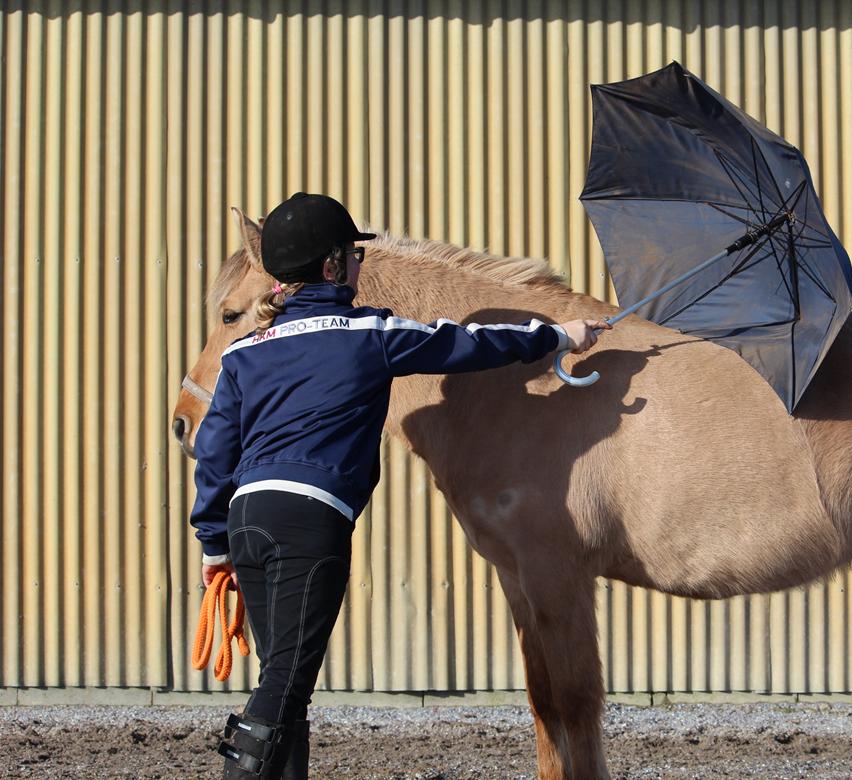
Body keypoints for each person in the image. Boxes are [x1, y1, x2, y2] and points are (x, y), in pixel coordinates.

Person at [190, 192, 608, 779]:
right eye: (354, 256)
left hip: (246, 522)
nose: (362, 266)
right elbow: (468, 345)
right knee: (285, 683)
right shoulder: (369, 333)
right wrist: (558, 336)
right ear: (333, 266)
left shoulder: (246, 354)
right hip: (311, 524)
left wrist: (214, 545)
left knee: (283, 683)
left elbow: (212, 454)